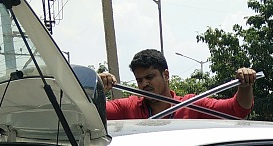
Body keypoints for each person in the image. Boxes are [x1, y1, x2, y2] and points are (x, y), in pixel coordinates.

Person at [98, 49, 257, 120]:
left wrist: (245, 85)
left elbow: (237, 110)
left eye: (150, 77)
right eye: (139, 80)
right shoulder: (128, 107)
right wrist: (96, 87)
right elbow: (91, 112)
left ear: (166, 75)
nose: (144, 84)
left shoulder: (192, 105)